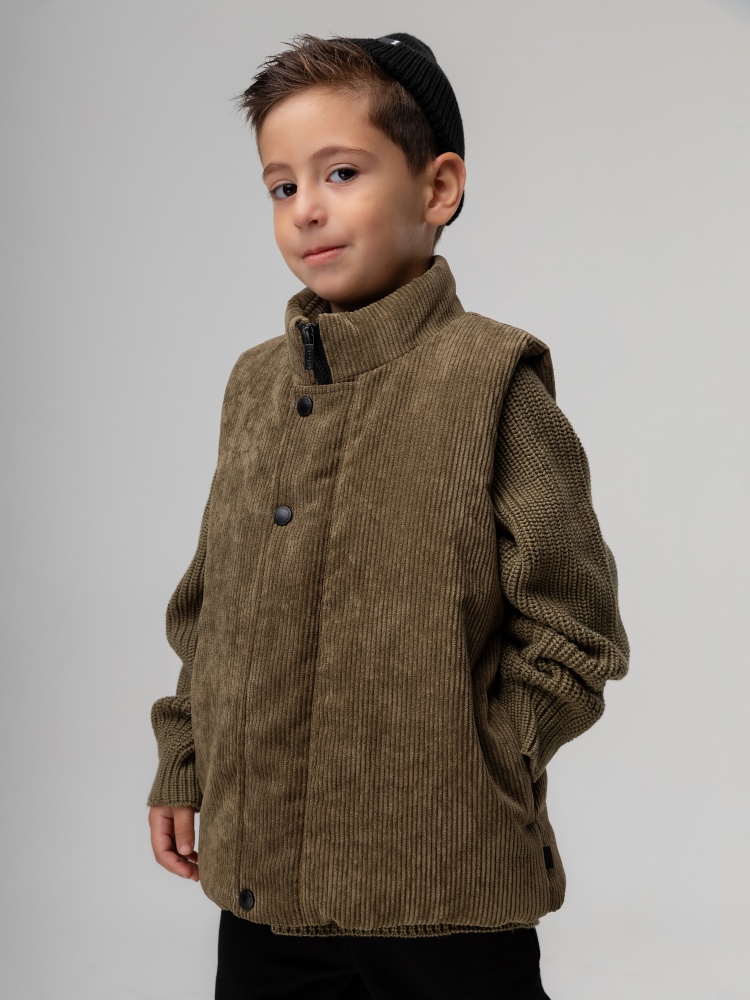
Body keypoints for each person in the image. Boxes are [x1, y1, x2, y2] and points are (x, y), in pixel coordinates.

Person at [146, 31, 630, 1000]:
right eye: (281, 185)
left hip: (447, 894)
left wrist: (485, 758)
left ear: (438, 187)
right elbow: (214, 607)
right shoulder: (254, 386)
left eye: (342, 172)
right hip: (265, 893)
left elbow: (575, 625)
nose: (306, 207)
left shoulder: (492, 379)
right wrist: (184, 761)